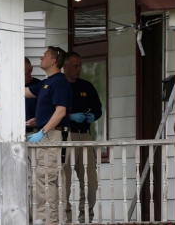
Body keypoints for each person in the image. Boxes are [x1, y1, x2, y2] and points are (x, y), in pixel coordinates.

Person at [25, 46, 72, 223]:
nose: (41, 58)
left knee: (48, 178)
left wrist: (43, 131)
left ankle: (48, 220)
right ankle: (52, 219)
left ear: (53, 61)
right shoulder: (47, 82)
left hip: (53, 135)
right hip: (47, 135)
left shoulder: (58, 82)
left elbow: (61, 111)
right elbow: (23, 92)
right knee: (46, 177)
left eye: (44, 56)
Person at [62, 51, 102, 223]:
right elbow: (52, 112)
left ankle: (86, 216)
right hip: (66, 135)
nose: (79, 69)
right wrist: (70, 117)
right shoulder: (60, 85)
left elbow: (98, 108)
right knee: (65, 180)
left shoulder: (86, 86)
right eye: (75, 66)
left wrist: (93, 115)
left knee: (90, 180)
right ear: (65, 67)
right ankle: (67, 216)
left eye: (80, 66)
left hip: (85, 135)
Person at [25, 57, 42, 137]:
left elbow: (48, 108)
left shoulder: (40, 85)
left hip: (34, 132)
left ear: (31, 70)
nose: (22, 77)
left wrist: (38, 119)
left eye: (25, 74)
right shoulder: (11, 86)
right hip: (15, 132)